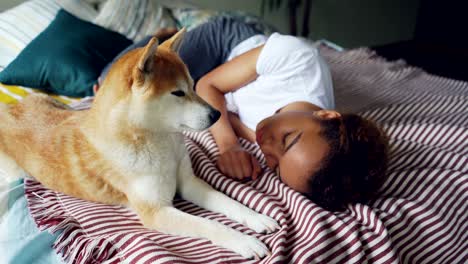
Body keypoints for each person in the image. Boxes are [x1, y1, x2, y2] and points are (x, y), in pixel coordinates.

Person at [95, 17, 389, 211]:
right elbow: (209, 85)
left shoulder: (276, 142)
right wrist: (228, 145)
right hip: (226, 45)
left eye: (273, 165)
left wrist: (231, 124)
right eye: (288, 139)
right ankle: (169, 33)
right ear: (326, 115)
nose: (266, 144)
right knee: (111, 82)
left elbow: (226, 112)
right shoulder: (297, 58)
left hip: (221, 85)